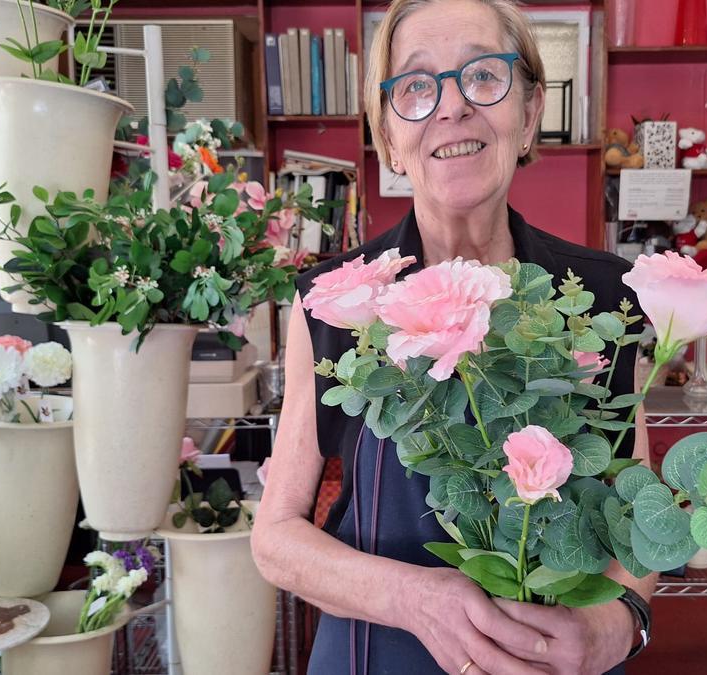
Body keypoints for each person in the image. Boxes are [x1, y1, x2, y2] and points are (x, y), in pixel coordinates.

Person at [252, 1, 655, 673]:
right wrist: (415, 597)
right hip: (374, 653)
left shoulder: (607, 298)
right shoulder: (335, 303)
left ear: (528, 114)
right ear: (388, 137)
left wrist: (616, 624)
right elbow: (276, 538)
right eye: (416, 85)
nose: (452, 106)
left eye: (484, 76)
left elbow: (639, 514)